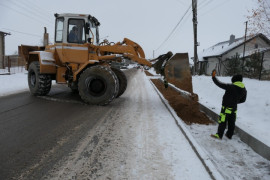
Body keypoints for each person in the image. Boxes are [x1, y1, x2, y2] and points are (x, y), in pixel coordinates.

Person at [211, 69, 247, 140]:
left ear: (234, 80)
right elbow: (243, 100)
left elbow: (219, 84)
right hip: (234, 109)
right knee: (232, 122)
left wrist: (213, 77)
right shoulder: (244, 89)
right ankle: (229, 135)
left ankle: (219, 135)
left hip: (226, 108)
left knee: (222, 121)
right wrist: (235, 101)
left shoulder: (231, 87)